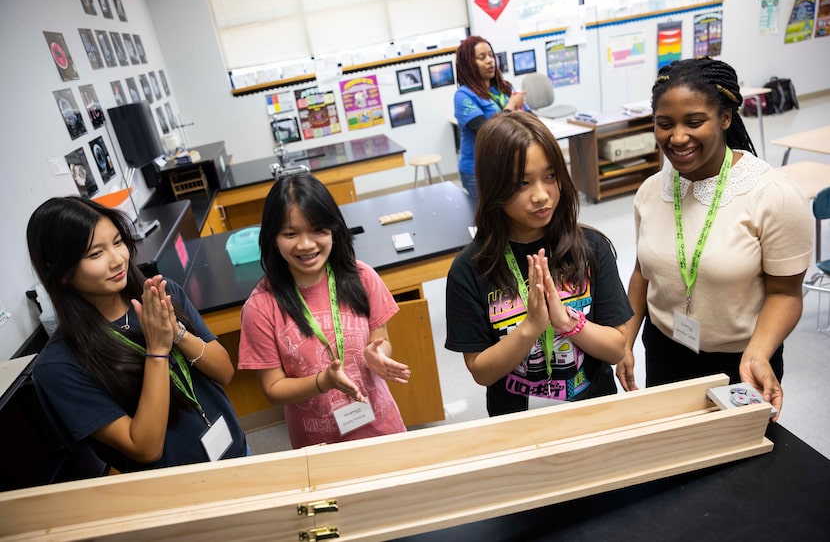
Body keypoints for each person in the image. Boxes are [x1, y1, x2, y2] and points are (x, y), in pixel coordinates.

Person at [617, 57, 813, 419]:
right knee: (674, 459)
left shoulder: (772, 194)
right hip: (664, 350)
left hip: (742, 360)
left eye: (694, 122)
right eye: (664, 124)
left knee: (739, 469)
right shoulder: (649, 192)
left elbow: (785, 293)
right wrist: (625, 340)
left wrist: (757, 354)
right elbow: (643, 275)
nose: (677, 137)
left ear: (725, 118)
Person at [28, 197, 247, 473]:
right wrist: (157, 349)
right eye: (96, 254)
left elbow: (225, 372)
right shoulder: (59, 365)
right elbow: (145, 447)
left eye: (118, 242)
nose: (118, 259)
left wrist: (177, 333)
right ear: (58, 272)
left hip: (235, 449)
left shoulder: (162, 296)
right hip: (175, 491)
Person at [445, 112, 633, 417]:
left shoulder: (591, 248)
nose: (541, 195)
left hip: (595, 412)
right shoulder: (470, 269)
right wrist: (531, 327)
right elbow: (481, 371)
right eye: (522, 183)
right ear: (494, 186)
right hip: (519, 421)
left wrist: (567, 323)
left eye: (550, 176)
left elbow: (616, 348)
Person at [237, 173, 410, 448]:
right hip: (319, 445)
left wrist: (378, 356)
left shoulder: (362, 277)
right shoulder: (260, 307)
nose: (306, 244)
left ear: (334, 230)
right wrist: (323, 381)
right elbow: (273, 388)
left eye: (318, 230)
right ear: (272, 237)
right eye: (290, 233)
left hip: (382, 428)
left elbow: (382, 341)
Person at [454, 35, 527, 198]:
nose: (490, 61)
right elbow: (487, 133)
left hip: (507, 166)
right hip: (478, 171)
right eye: (482, 57)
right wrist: (511, 107)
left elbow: (529, 119)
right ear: (469, 64)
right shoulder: (463, 96)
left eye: (491, 55)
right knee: (490, 220)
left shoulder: (504, 88)